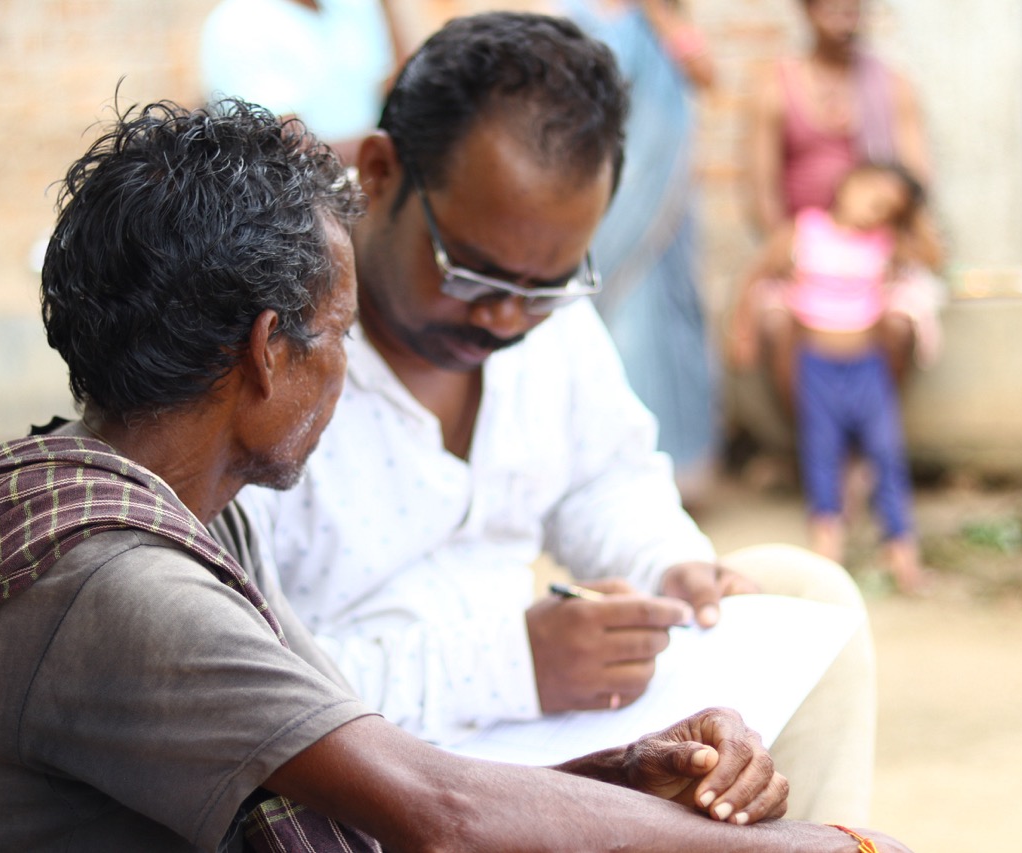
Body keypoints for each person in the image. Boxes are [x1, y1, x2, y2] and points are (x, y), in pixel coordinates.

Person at [0, 96, 914, 853]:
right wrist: (811, 846)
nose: (352, 366)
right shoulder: (115, 588)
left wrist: (626, 770)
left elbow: (375, 784)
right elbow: (439, 814)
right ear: (269, 351)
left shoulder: (156, 509)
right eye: (338, 331)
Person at [238, 11, 878, 824]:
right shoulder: (273, 371)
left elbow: (607, 480)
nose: (507, 316)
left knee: (801, 593)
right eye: (470, 273)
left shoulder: (547, 316)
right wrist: (513, 663)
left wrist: (670, 567)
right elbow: (249, 686)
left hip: (554, 727)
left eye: (546, 285)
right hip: (382, 786)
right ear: (379, 172)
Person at [731, 162, 936, 593]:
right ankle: (829, 560)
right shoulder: (804, 232)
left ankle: (902, 554)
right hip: (817, 367)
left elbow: (933, 258)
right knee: (821, 454)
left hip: (868, 369)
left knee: (886, 454)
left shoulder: (885, 243)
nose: (874, 213)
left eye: (888, 210)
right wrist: (744, 333)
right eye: (872, 198)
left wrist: (913, 215)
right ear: (847, 185)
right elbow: (757, 276)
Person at [741, 0, 944, 412]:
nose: (844, 20)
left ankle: (870, 441)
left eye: (853, 10)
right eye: (833, 9)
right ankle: (816, 445)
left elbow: (916, 183)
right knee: (780, 323)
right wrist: (798, 251)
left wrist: (895, 250)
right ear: (806, 11)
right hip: (805, 252)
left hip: (878, 252)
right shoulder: (777, 87)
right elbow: (762, 192)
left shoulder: (890, 86)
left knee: (899, 321)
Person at [562, 0, 719, 505]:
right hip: (604, 206)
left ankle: (681, 469)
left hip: (661, 215)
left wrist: (664, 20)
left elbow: (705, 76)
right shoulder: (574, 14)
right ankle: (610, 484)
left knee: (669, 326)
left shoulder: (660, 17)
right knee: (618, 333)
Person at [200, 0, 401, 164]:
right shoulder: (240, 25)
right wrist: (398, 146)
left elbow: (398, 88)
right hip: (313, 202)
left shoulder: (354, 7)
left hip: (373, 177)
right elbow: (288, 153)